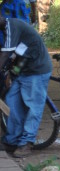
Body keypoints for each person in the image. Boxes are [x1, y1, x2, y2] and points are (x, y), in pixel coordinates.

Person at [0, 16, 52, 156]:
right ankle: (12, 139)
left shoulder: (11, 26)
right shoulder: (6, 29)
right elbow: (16, 55)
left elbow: (5, 54)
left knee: (33, 106)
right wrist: (10, 73)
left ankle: (26, 143)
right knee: (11, 102)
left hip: (36, 70)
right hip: (21, 69)